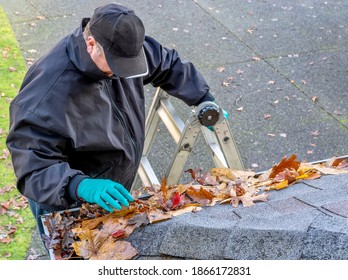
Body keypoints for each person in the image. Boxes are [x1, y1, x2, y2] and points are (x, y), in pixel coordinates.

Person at [6, 3, 223, 238]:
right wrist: (79, 185)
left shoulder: (123, 47)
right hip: (65, 197)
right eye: (118, 66)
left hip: (109, 182)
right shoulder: (46, 94)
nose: (124, 73)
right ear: (91, 45)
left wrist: (203, 98)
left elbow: (166, 63)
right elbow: (33, 168)